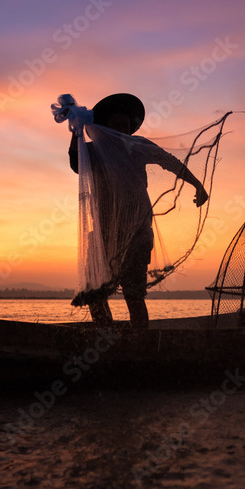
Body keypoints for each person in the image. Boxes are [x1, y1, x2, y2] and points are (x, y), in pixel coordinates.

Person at [61, 93, 209, 330]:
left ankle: (140, 343)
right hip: (104, 233)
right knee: (95, 296)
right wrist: (75, 131)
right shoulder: (95, 151)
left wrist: (196, 184)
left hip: (138, 233)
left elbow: (169, 161)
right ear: (104, 127)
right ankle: (105, 337)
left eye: (126, 126)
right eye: (116, 126)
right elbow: (75, 164)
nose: (122, 130)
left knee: (134, 294)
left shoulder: (138, 147)